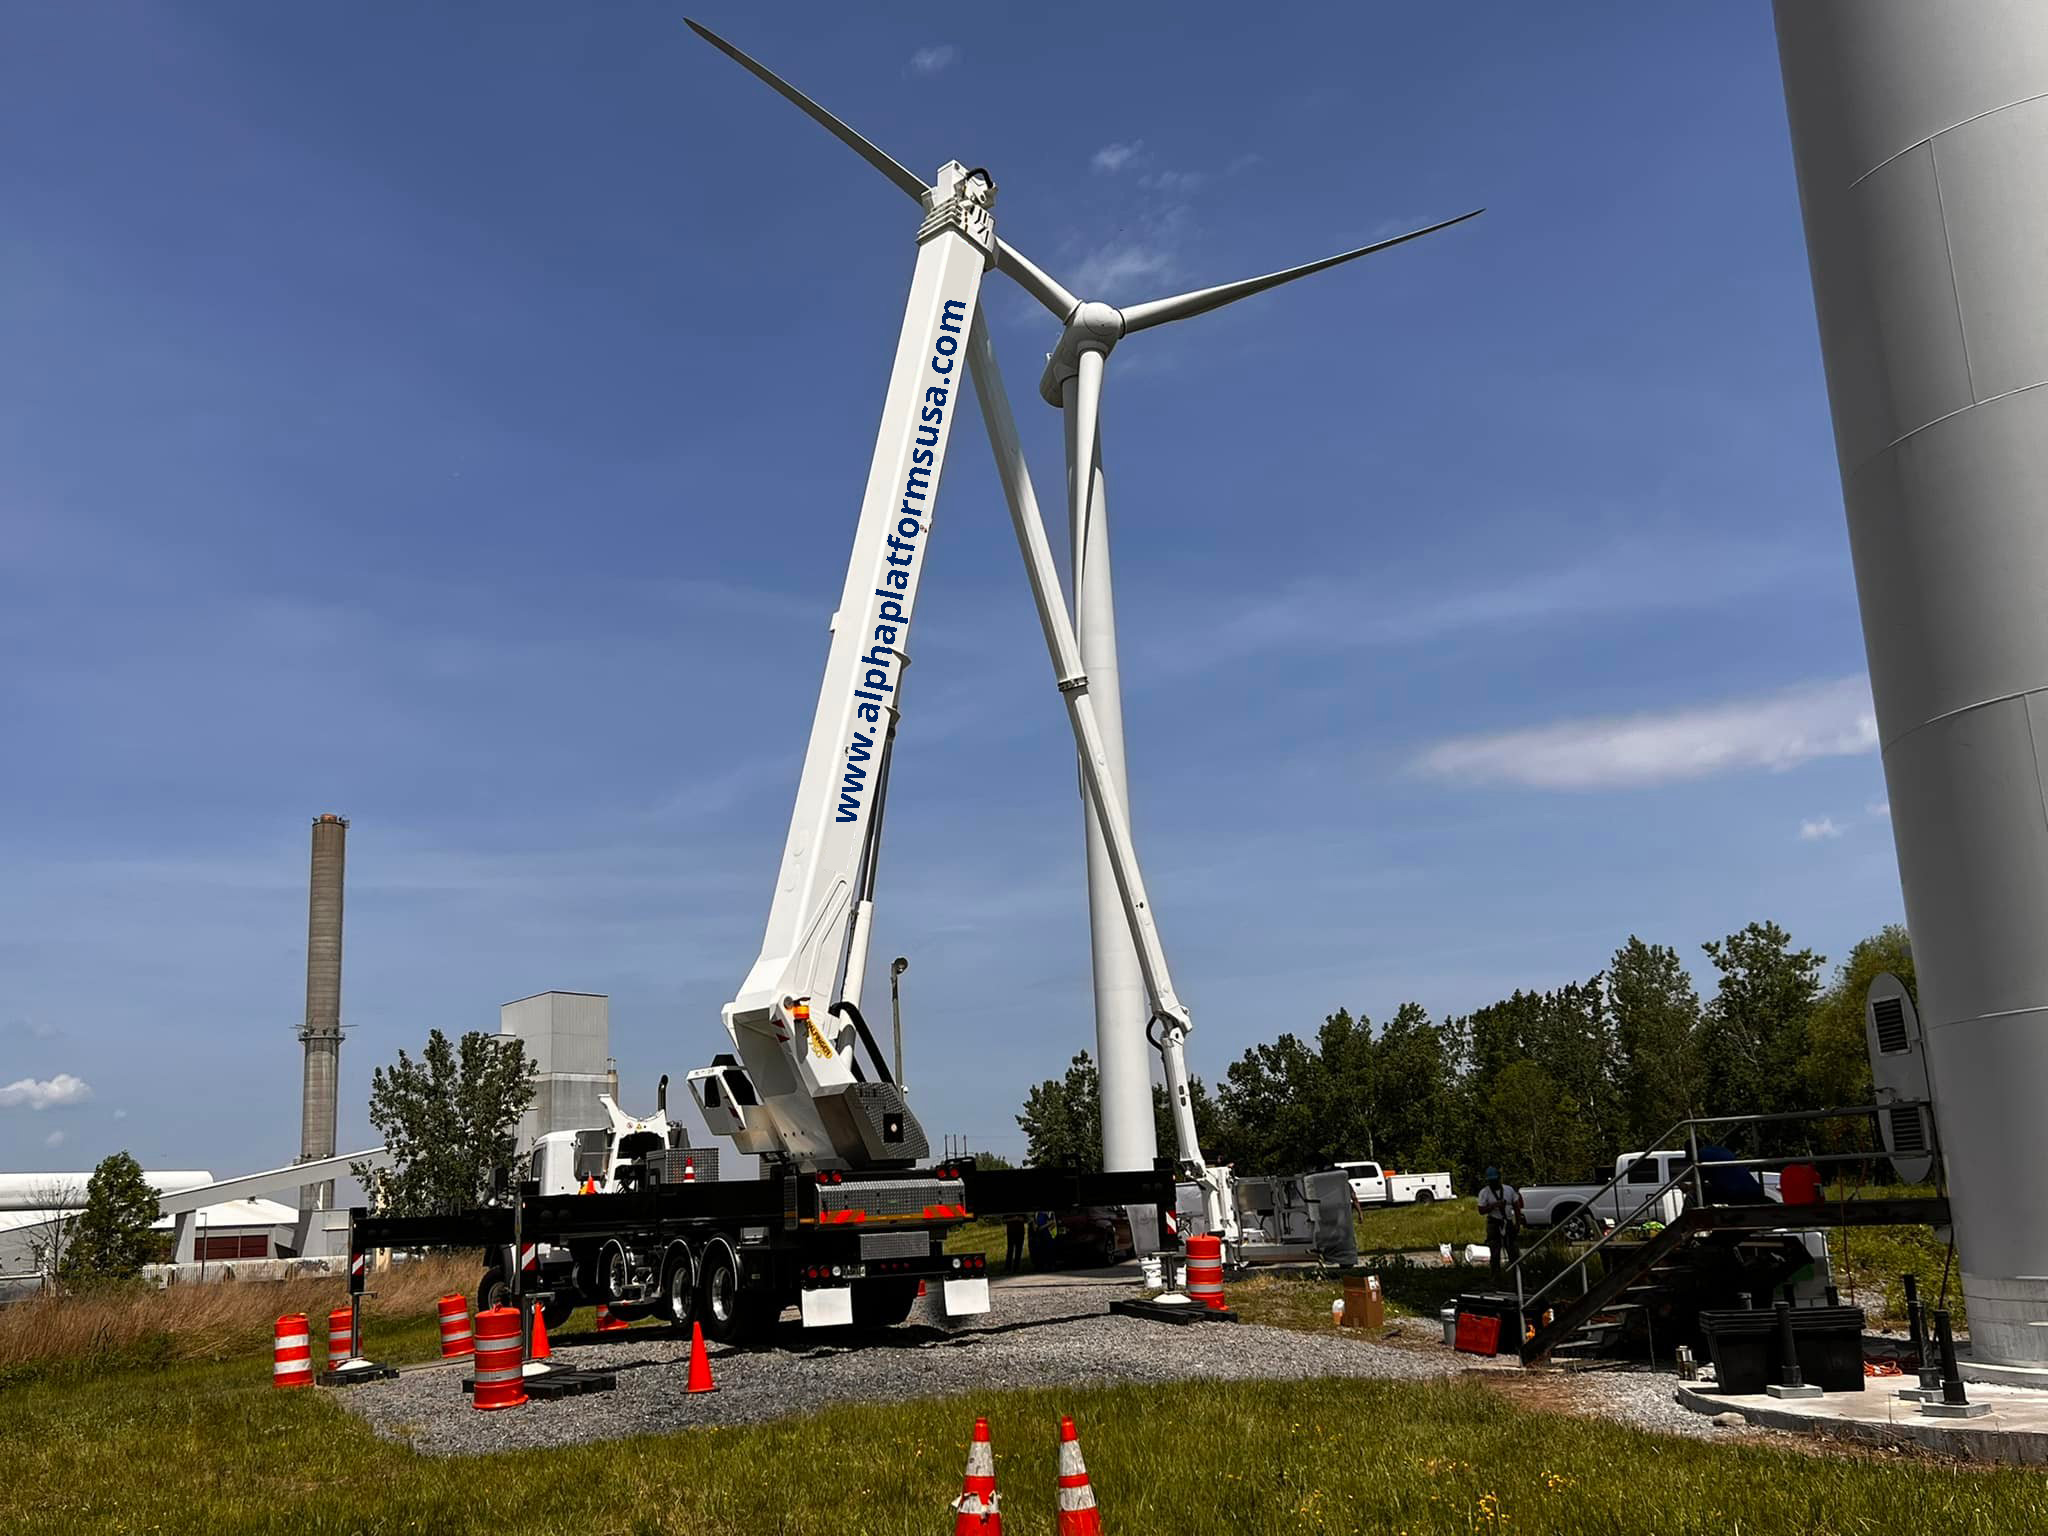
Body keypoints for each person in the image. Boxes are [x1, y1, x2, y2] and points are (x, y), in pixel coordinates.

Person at [1475, 1166, 1523, 1279]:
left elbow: (1517, 1207)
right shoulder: (1484, 1192)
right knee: (1495, 1251)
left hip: (1508, 1222)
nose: (1493, 1182)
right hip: (1494, 1223)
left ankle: (1517, 1276)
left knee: (1513, 1251)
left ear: (1499, 1178)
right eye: (1491, 1180)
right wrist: (1494, 1205)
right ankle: (1495, 1277)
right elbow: (1481, 1210)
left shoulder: (1508, 1190)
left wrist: (1518, 1223)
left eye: (1495, 1180)